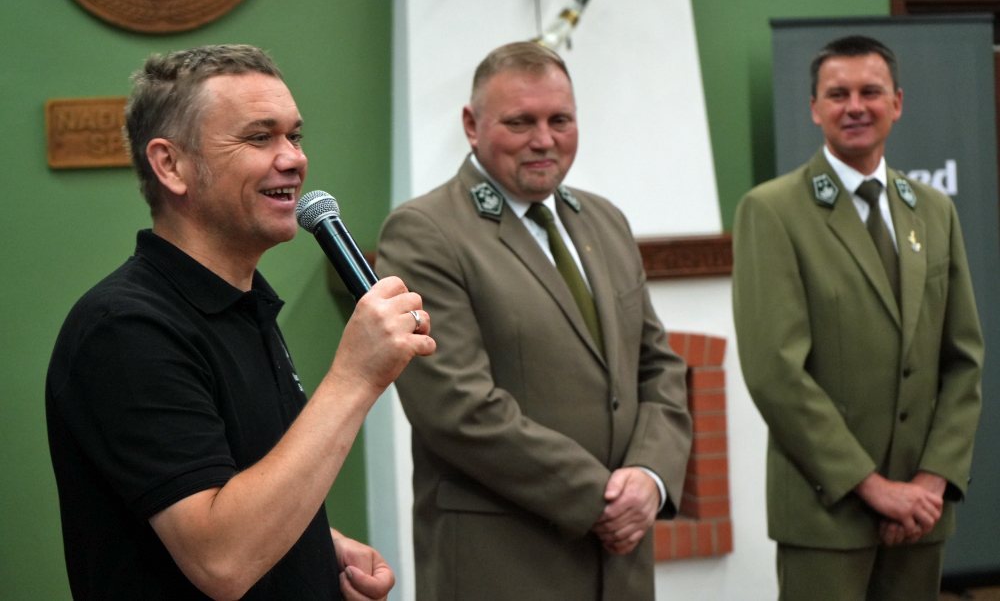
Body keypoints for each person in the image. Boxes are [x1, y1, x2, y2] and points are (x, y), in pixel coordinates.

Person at [45, 44, 436, 600]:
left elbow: (231, 486)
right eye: (259, 138)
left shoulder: (243, 305)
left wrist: (314, 548)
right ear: (171, 165)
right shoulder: (124, 330)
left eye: (294, 136)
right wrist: (355, 377)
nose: (293, 159)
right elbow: (221, 559)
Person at [375, 41, 692, 600]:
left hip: (621, 565)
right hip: (504, 562)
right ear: (472, 125)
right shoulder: (425, 232)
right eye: (520, 122)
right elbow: (456, 407)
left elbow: (658, 367)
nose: (544, 139)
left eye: (560, 120)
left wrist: (651, 476)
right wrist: (603, 499)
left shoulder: (605, 220)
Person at [732, 35, 983, 600]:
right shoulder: (772, 211)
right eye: (837, 94)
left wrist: (930, 481)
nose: (855, 106)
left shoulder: (934, 211)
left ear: (897, 102)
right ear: (814, 108)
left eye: (870, 92)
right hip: (829, 514)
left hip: (921, 513)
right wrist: (872, 487)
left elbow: (963, 359)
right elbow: (775, 373)